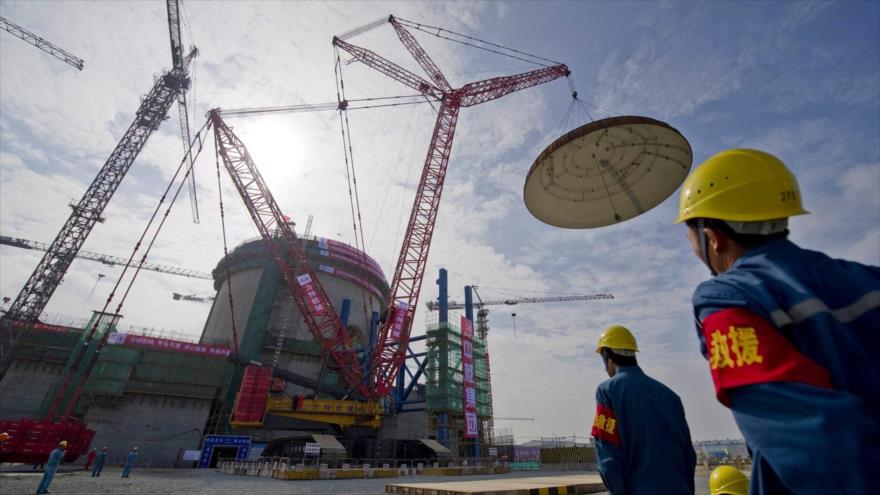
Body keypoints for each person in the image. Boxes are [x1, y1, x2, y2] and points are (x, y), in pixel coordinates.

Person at [675, 148, 880, 493]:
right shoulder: (868, 280)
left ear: (712, 236)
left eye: (690, 236)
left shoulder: (727, 299)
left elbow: (815, 447)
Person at [591, 325, 696, 494]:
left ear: (608, 356)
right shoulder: (671, 396)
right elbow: (688, 455)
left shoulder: (607, 391)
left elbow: (607, 452)